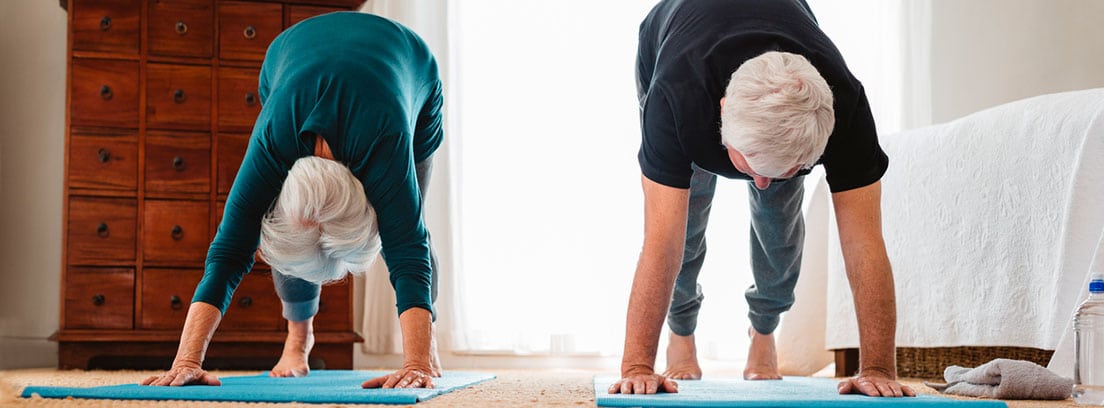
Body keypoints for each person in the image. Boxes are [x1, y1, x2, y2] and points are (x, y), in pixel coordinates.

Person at [609, 0, 916, 397]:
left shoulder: (845, 107)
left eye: (782, 172)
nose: (760, 182)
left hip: (782, 86)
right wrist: (637, 366)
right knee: (685, 221)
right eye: (750, 165)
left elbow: (864, 243)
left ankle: (764, 329)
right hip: (676, 42)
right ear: (721, 114)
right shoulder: (676, 96)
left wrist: (878, 368)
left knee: (778, 225)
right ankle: (681, 332)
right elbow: (661, 241)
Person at [141, 11, 443, 389]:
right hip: (288, 55)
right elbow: (228, 253)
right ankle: (299, 339)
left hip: (410, 64)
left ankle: (425, 343)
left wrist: (414, 363)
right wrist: (186, 360)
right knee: (295, 228)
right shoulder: (273, 142)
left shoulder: (386, 143)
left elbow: (408, 250)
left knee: (408, 225)